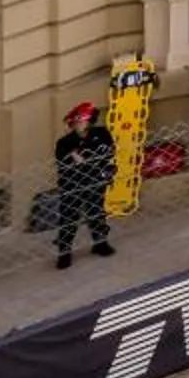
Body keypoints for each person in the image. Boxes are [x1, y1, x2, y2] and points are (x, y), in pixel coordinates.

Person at [53, 103, 116, 269]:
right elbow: (65, 163)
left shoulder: (101, 134)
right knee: (69, 217)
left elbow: (108, 154)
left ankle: (100, 243)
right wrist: (79, 157)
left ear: (89, 120)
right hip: (72, 184)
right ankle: (64, 252)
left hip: (95, 180)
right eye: (76, 121)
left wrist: (96, 166)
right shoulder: (64, 143)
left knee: (96, 212)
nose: (79, 124)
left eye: (82, 120)